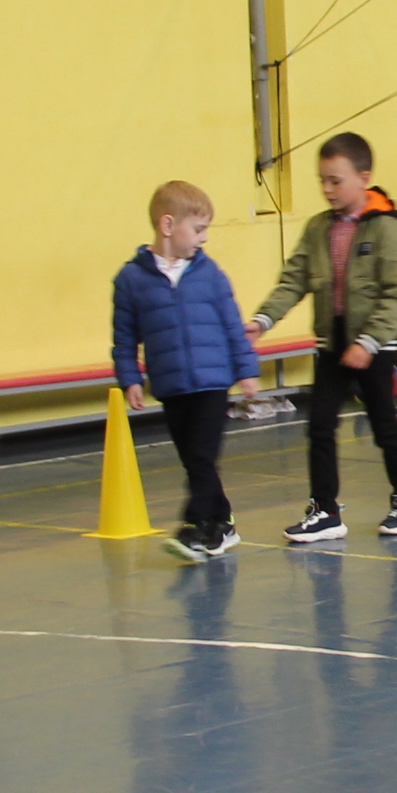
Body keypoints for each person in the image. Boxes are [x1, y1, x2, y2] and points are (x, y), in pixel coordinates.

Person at [249, 132, 397, 542]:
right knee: (320, 426)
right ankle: (325, 509)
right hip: (332, 345)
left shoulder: (387, 229)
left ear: (363, 178)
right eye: (322, 181)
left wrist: (368, 343)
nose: (328, 189)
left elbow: (396, 297)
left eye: (336, 180)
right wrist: (262, 319)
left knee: (385, 427)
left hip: (374, 348)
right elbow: (294, 279)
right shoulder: (318, 228)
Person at [112, 179, 255, 559]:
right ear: (168, 225)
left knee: (202, 457)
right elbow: (124, 337)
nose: (204, 238)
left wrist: (246, 369)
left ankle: (195, 526)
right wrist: (130, 379)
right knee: (195, 461)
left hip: (212, 382)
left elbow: (232, 325)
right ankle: (222, 521)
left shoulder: (211, 275)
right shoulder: (131, 280)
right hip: (172, 386)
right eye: (198, 229)